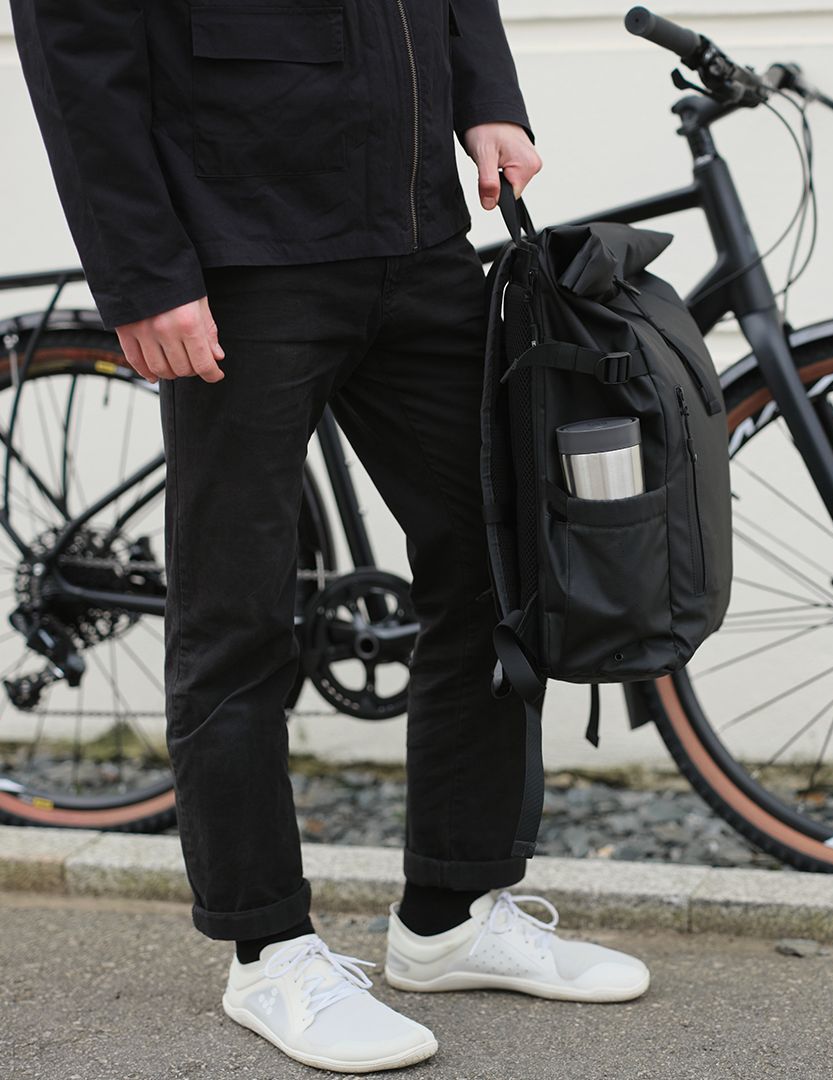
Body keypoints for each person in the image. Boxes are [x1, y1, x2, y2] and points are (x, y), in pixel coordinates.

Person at [10, 0, 651, 1072]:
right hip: (239, 247)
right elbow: (74, 41)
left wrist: (487, 100)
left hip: (419, 234)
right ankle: (268, 951)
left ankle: (450, 915)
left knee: (495, 564)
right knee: (238, 608)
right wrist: (143, 272)